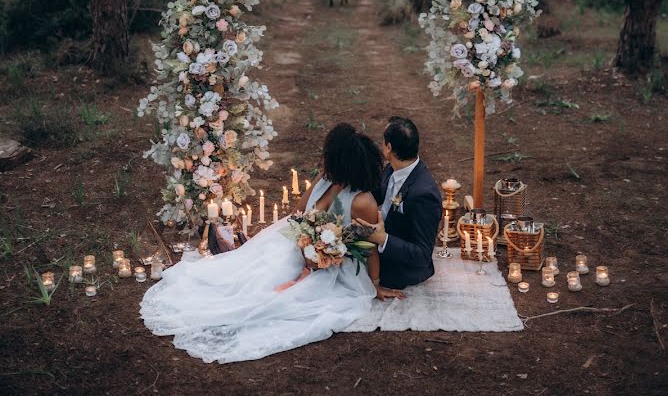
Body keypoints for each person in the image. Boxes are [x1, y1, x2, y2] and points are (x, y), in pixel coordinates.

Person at [140, 123, 383, 363]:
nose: (324, 161)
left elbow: (369, 246)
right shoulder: (325, 179)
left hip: (330, 266)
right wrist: (304, 237)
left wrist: (374, 284)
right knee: (250, 274)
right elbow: (299, 213)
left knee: (271, 294)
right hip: (297, 244)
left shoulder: (362, 202)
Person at [354, 116, 442, 300]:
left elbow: (422, 255)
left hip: (398, 268)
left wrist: (382, 239)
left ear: (389, 148)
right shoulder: (393, 168)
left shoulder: (424, 194)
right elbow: (376, 193)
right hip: (374, 244)